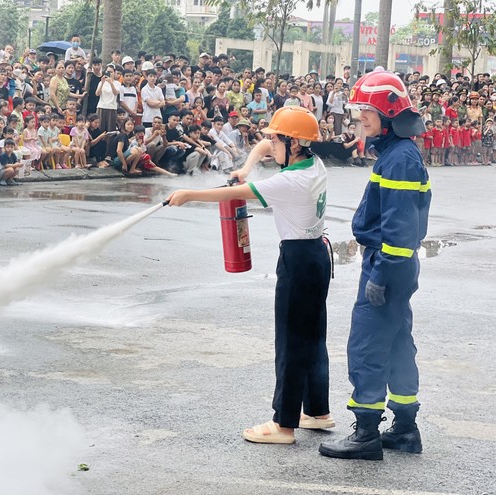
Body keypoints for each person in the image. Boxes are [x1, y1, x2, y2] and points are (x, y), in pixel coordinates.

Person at [167, 106, 333, 445]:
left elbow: (231, 194)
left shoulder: (291, 180)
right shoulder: (314, 164)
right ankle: (317, 412)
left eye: (277, 139)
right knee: (313, 337)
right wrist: (246, 167)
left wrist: (189, 195)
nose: (270, 143)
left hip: (298, 261)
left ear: (296, 142)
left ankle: (284, 425)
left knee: (290, 340)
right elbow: (260, 148)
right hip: (317, 255)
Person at [319, 70, 431, 461]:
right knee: (399, 343)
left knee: (367, 345)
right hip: (397, 265)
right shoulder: (400, 155)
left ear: (388, 113)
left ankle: (365, 431)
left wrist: (380, 275)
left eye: (366, 111)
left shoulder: (399, 160)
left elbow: (400, 229)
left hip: (388, 264)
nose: (360, 119)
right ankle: (404, 428)